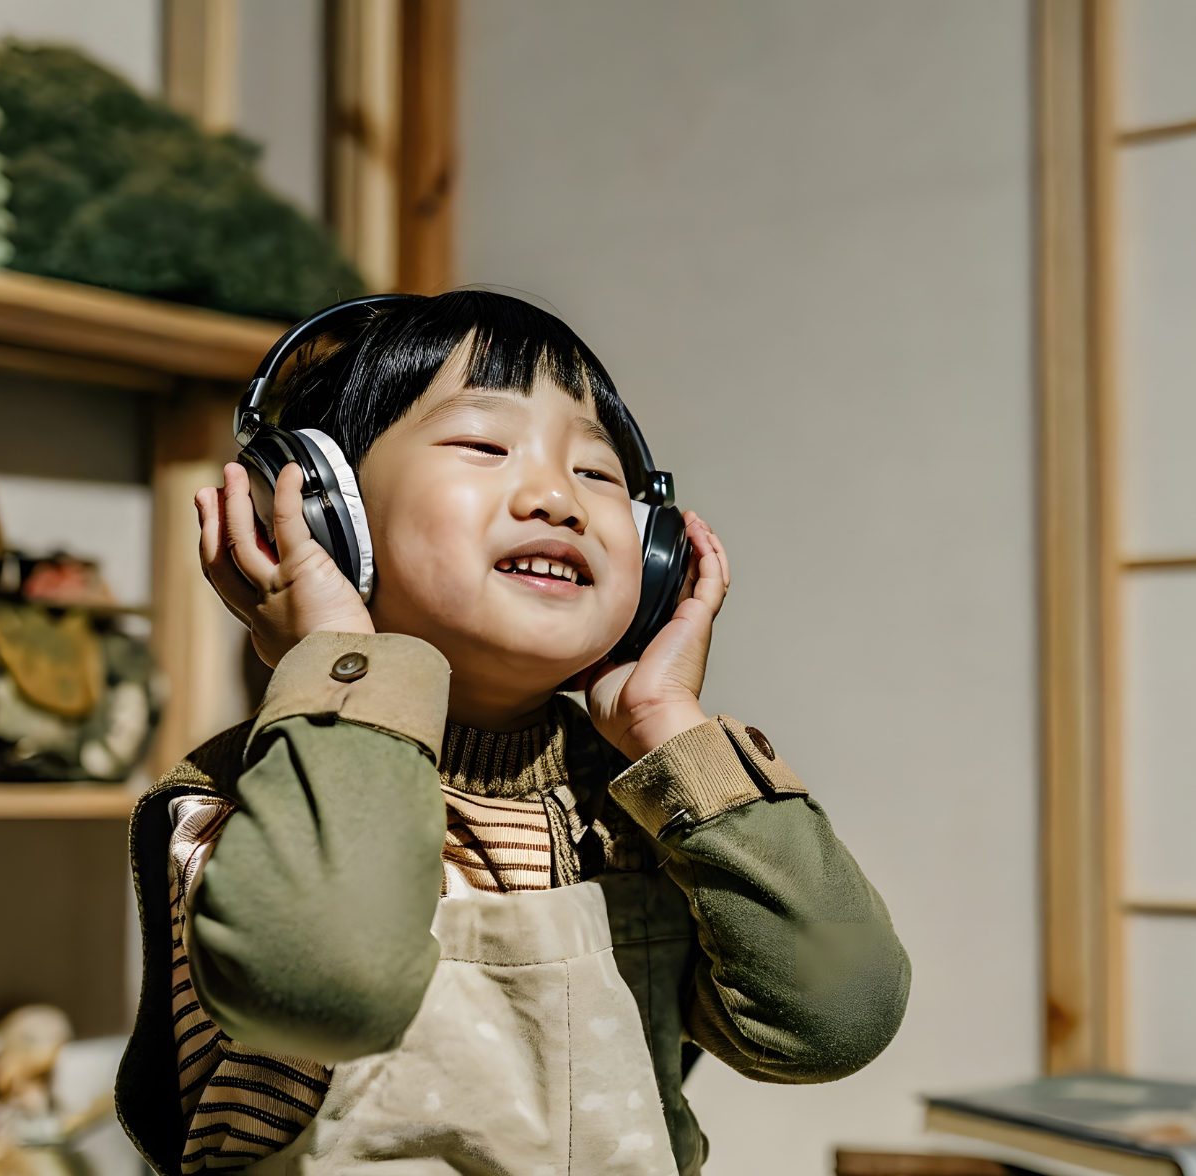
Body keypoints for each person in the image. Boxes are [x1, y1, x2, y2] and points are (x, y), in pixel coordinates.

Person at [114, 291, 911, 1176]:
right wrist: (344, 661)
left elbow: (834, 1019)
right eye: (484, 446)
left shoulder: (644, 809)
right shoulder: (251, 798)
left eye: (598, 474)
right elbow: (322, 982)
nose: (557, 498)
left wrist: (670, 732)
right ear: (324, 517)